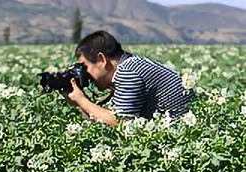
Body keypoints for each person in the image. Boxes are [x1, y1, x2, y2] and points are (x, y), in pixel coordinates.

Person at [64, 30, 196, 127]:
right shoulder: (132, 64)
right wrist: (78, 103)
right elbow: (103, 123)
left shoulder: (128, 72)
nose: (84, 73)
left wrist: (82, 100)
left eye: (84, 67)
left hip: (187, 132)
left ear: (101, 60)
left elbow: (122, 124)